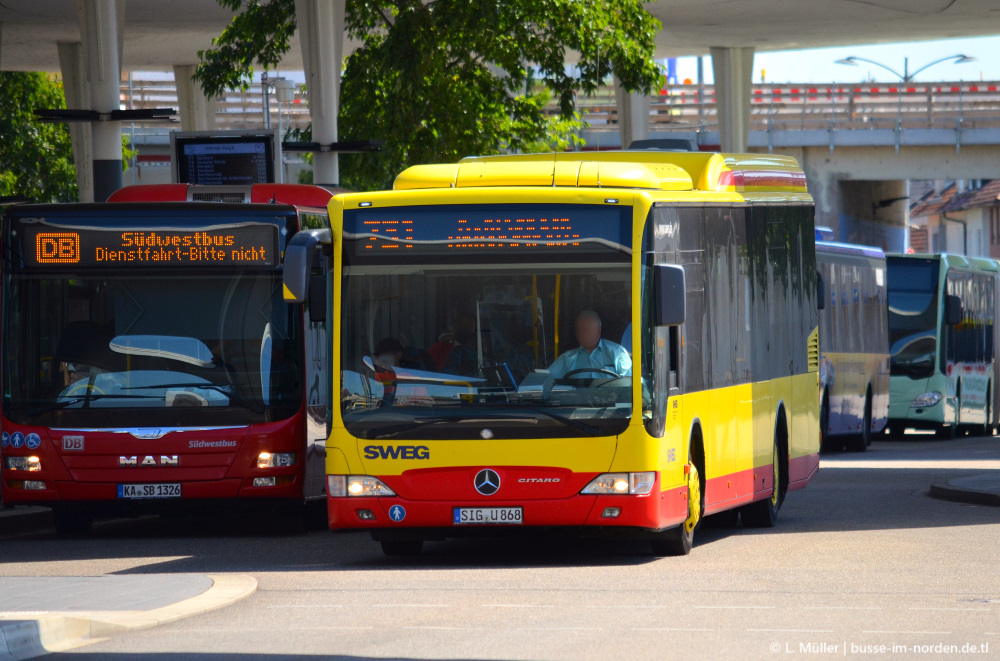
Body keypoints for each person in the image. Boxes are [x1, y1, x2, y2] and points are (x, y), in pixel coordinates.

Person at [547, 310, 631, 379]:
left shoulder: (617, 352)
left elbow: (629, 380)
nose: (580, 333)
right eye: (577, 329)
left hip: (610, 398)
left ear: (598, 331)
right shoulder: (567, 358)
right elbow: (545, 378)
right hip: (577, 399)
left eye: (585, 329)